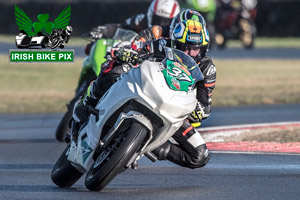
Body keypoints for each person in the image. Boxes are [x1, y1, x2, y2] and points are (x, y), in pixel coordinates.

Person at [73, 16, 215, 170]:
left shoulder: (208, 69)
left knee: (200, 155)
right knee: (115, 69)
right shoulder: (162, 44)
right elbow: (140, 49)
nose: (190, 53)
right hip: (146, 88)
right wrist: (129, 54)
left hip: (172, 108)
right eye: (186, 47)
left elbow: (205, 105)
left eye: (196, 49)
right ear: (175, 43)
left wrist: (198, 111)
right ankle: (89, 101)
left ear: (204, 49)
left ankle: (147, 145)